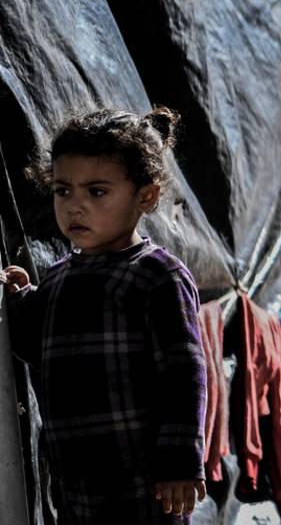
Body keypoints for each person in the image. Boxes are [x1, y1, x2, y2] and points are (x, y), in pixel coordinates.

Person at [1, 108, 206, 523]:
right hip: (74, 486)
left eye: (96, 192)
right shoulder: (56, 281)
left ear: (145, 196)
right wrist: (17, 294)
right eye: (62, 191)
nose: (75, 206)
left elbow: (185, 372)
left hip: (145, 487)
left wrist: (181, 460)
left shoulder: (157, 277)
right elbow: (26, 344)